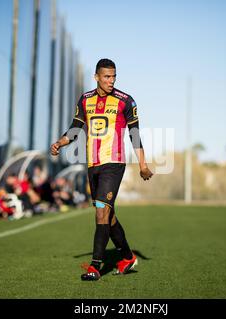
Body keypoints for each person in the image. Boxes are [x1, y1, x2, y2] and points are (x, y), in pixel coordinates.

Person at [50, 58, 153, 281]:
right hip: (92, 165)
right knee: (109, 214)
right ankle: (126, 256)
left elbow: (134, 135)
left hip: (114, 163)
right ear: (96, 77)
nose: (111, 80)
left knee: (101, 211)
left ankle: (95, 266)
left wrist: (143, 165)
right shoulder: (85, 99)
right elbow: (75, 129)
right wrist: (60, 143)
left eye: (114, 76)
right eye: (107, 76)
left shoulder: (126, 101)